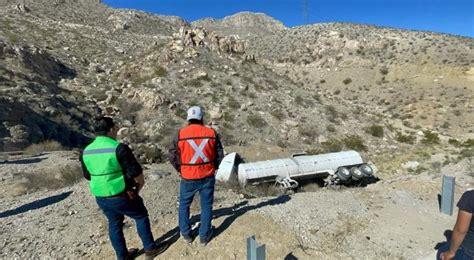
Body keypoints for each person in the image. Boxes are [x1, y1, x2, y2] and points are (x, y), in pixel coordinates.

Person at [80, 117, 168, 259]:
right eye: (115, 128)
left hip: (101, 196)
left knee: (114, 224)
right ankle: (150, 249)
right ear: (111, 129)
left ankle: (122, 256)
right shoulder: (118, 148)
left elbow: (87, 175)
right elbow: (136, 173)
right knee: (140, 216)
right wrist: (138, 187)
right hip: (121, 194)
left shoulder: (86, 151)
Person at [168, 106, 224, 245]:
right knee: (206, 206)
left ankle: (187, 234)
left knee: (184, 205)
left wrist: (181, 169)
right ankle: (204, 236)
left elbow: (172, 155)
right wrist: (214, 167)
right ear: (202, 118)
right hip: (207, 175)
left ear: (188, 119)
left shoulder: (180, 134)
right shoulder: (211, 133)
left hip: (188, 177)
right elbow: (219, 154)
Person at [441, 189, 474, 260]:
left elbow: (461, 230)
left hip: (469, 252)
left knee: (441, 252)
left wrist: (451, 252)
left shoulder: (470, 197)